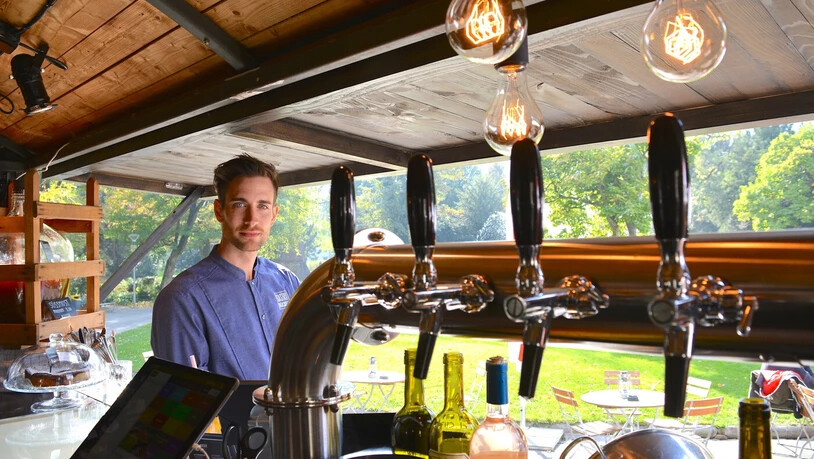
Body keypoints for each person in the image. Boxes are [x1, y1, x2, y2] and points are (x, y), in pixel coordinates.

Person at [151, 154, 300, 380]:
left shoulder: (287, 281)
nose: (252, 219)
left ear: (274, 214)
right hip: (234, 417)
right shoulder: (182, 299)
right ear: (219, 210)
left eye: (262, 206)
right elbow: (187, 396)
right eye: (240, 204)